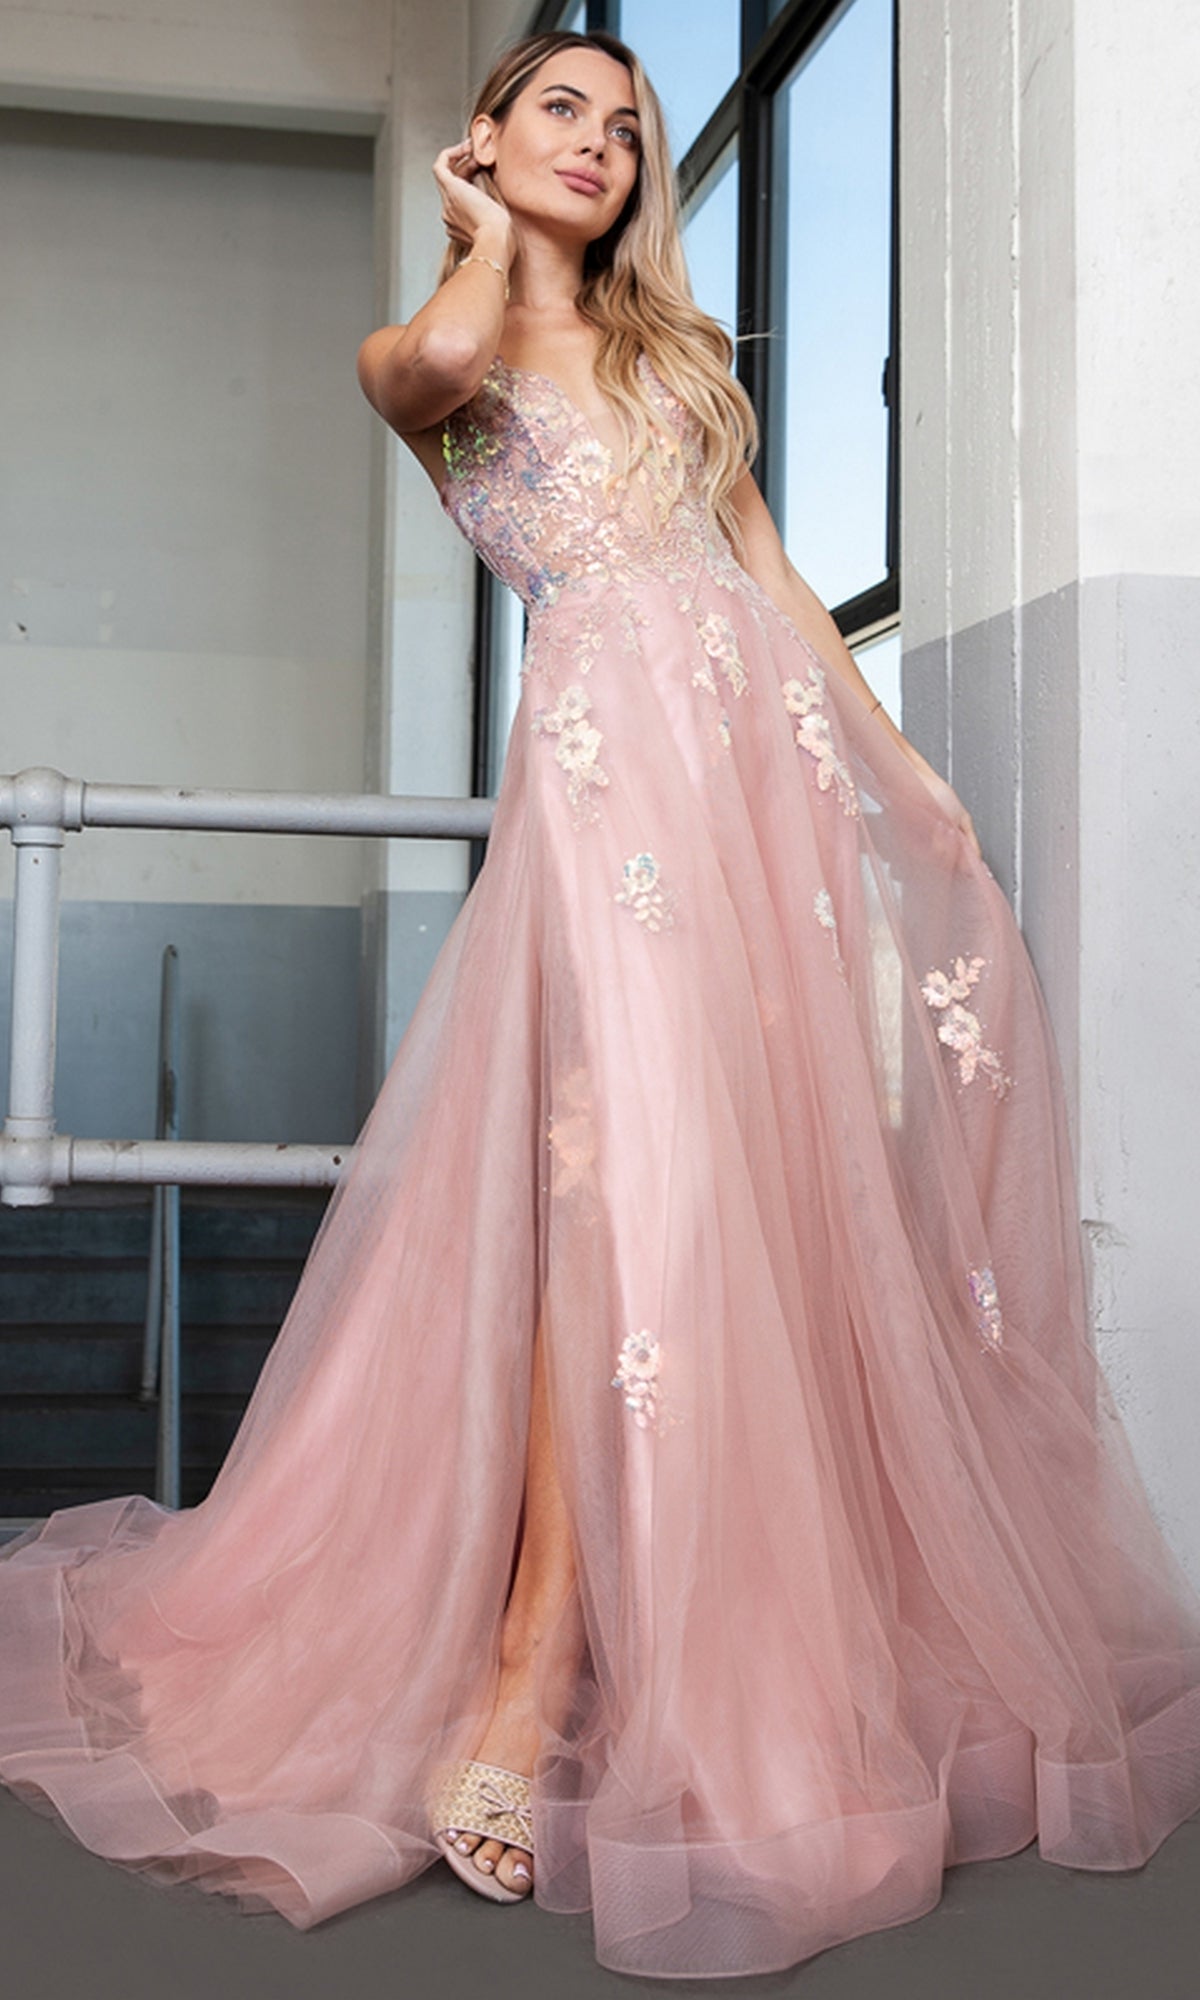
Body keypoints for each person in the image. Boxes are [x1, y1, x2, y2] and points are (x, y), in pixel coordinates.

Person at [1, 25, 1199, 1984]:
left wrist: (901, 790)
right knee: (609, 1209)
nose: (604, 142)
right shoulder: (446, 359)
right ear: (489, 141)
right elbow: (446, 369)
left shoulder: (684, 370)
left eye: (627, 128)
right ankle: (524, 1655)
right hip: (602, 819)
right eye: (564, 109)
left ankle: (589, 1640)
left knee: (706, 1216)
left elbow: (776, 592)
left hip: (740, 830)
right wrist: (479, 232)